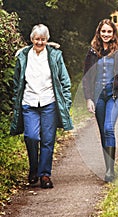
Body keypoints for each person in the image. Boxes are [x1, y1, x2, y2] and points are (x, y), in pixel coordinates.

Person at [10, 24, 73, 189]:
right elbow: (17, 81)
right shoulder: (23, 56)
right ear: (31, 39)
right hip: (29, 103)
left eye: (43, 39)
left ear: (47, 40)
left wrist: (65, 103)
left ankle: (45, 175)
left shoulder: (55, 56)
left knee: (47, 140)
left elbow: (65, 81)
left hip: (49, 102)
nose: (40, 42)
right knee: (31, 136)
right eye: (37, 39)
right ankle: (34, 168)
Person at [82, 19, 118, 183]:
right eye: (103, 31)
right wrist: (89, 98)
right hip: (98, 96)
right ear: (99, 32)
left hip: (114, 94)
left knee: (109, 128)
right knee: (104, 131)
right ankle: (108, 165)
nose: (106, 34)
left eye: (109, 32)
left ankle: (110, 171)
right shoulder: (92, 51)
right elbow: (87, 77)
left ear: (113, 33)